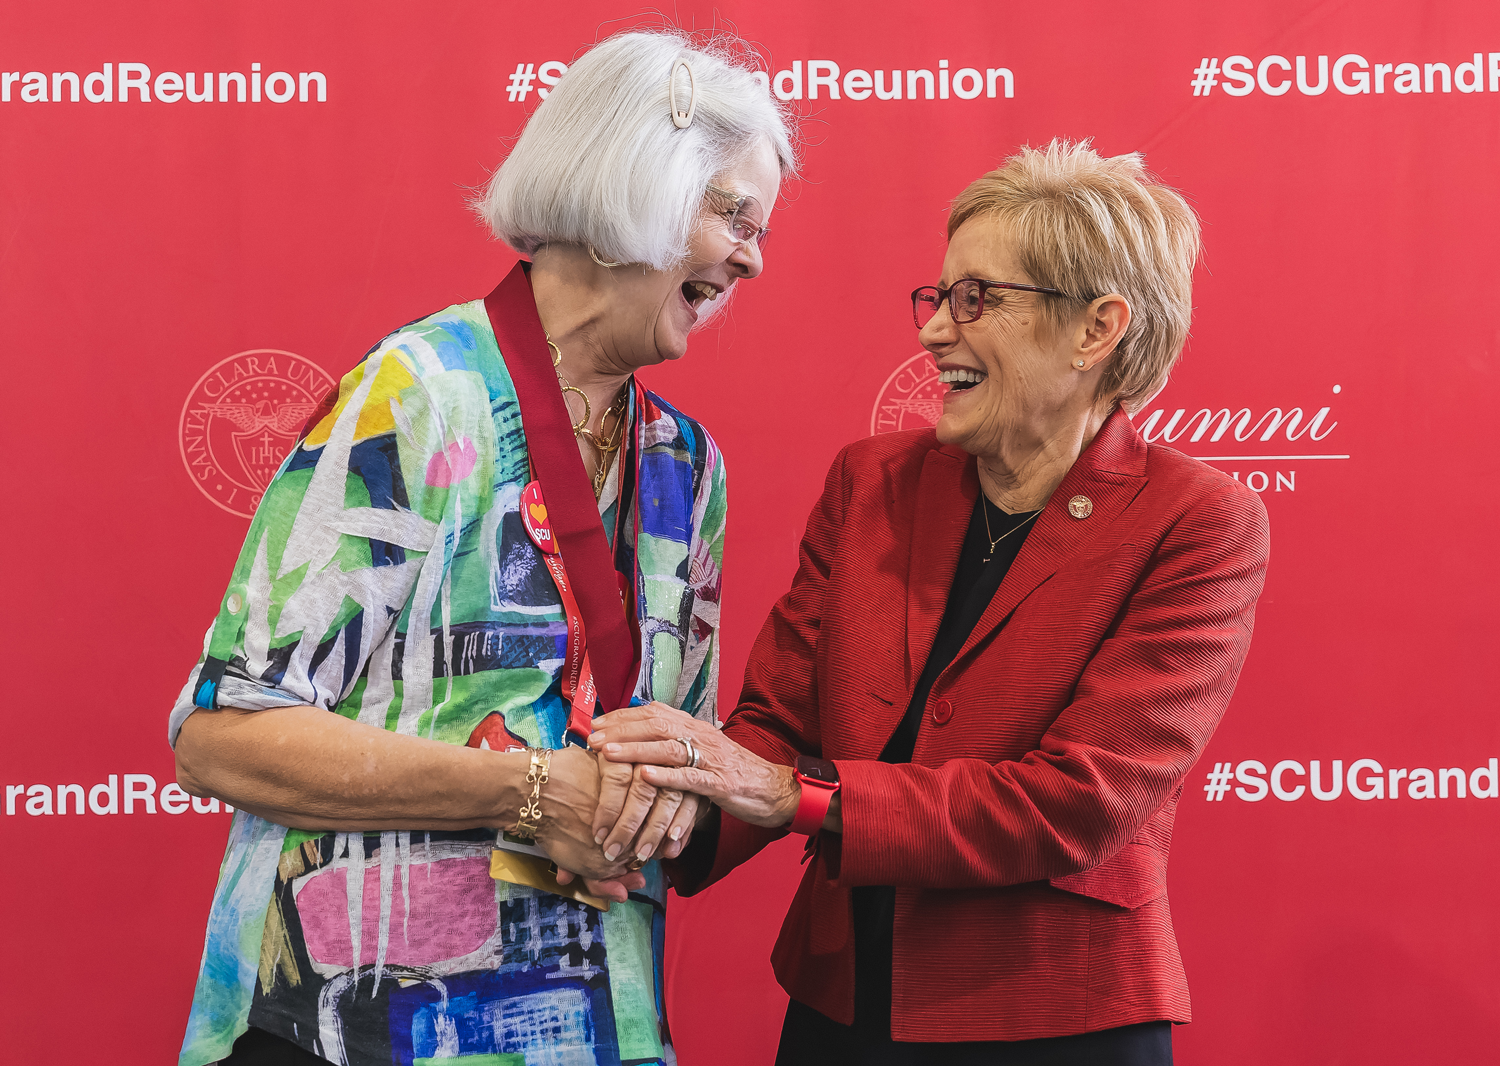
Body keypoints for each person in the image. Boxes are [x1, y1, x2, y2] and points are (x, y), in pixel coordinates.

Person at [168, 30, 795, 1066]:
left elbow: (675, 753)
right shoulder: (419, 393)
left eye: (760, 226)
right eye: (731, 212)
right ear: (635, 179)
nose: (752, 255)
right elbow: (224, 735)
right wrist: (537, 788)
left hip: (595, 1026)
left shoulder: (687, 465)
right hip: (353, 1027)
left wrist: (666, 806)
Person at [591, 140, 1269, 1064]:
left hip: (1057, 1018)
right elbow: (773, 726)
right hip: (842, 1004)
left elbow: (1081, 802)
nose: (935, 330)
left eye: (977, 299)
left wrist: (793, 794)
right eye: (939, 296)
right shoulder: (871, 482)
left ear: (1095, 329)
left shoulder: (1198, 522)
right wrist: (646, 828)